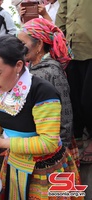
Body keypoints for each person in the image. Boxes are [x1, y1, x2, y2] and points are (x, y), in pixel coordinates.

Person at [0, 34, 81, 199]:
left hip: (44, 167)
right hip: (15, 159)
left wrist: (2, 143)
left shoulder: (43, 93)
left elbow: (48, 142)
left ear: (18, 66)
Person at [17, 17, 79, 166]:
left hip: (53, 147)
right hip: (35, 143)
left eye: (23, 44)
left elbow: (65, 114)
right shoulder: (27, 68)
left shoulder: (52, 72)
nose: (19, 49)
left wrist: (59, 152)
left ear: (39, 44)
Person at [56, 0, 92, 164]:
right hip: (71, 50)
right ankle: (76, 138)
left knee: (88, 100)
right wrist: (58, 41)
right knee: (73, 98)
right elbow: (63, 13)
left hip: (90, 49)